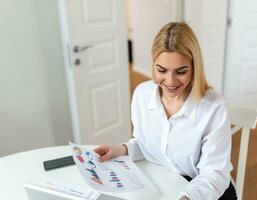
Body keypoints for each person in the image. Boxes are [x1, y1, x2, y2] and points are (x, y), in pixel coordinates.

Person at [94, 22, 236, 200]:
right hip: (163, 182)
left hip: (204, 191)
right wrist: (121, 150)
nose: (170, 81)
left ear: (194, 67)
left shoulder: (214, 108)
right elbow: (145, 143)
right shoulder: (142, 95)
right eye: (162, 70)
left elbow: (214, 175)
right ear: (154, 63)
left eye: (181, 71)